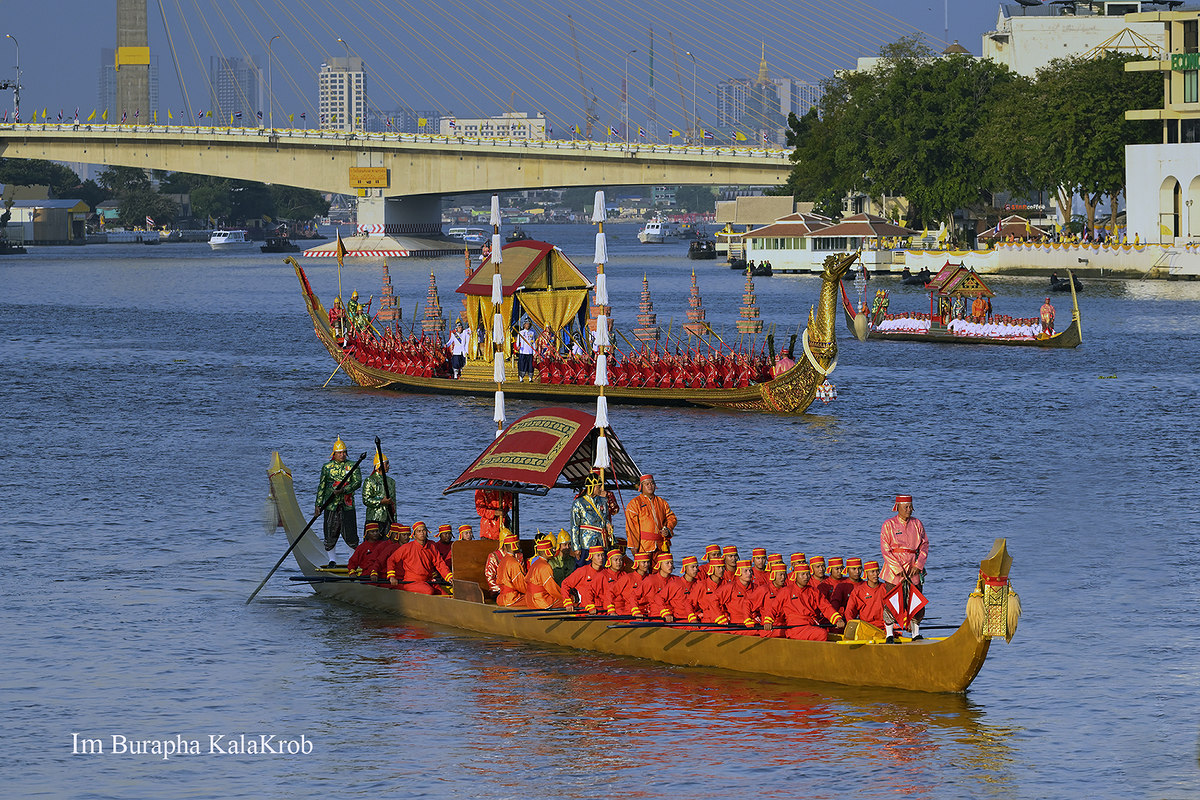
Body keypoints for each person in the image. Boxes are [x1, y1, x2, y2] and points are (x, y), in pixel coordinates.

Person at [762, 562, 844, 641]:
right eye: (803, 574)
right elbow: (773, 608)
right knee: (822, 634)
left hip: (811, 625)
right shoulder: (786, 591)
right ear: (796, 576)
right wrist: (768, 621)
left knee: (826, 632)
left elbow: (826, 607)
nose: (806, 577)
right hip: (795, 628)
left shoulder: (814, 591)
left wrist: (838, 619)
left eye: (808, 574)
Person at [315, 437, 363, 566]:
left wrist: (344, 490)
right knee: (330, 531)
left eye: (344, 452)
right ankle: (332, 560)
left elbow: (357, 482)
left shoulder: (353, 465)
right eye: (339, 453)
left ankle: (352, 560)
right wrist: (318, 505)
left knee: (350, 532)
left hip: (347, 504)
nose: (342, 455)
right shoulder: (327, 467)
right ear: (334, 454)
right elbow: (322, 486)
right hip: (331, 505)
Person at [386, 520, 452, 594]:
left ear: (427, 532)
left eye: (423, 530)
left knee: (446, 595)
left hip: (429, 581)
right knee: (429, 591)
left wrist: (449, 577)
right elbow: (391, 560)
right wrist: (392, 576)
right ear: (414, 535)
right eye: (419, 531)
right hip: (411, 582)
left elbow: (440, 563)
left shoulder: (432, 546)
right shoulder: (406, 547)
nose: (422, 533)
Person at [880, 494, 928, 588]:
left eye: (911, 507)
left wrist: (918, 565)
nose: (909, 510)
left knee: (915, 601)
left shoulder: (917, 523)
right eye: (906, 507)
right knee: (893, 601)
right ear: (898, 507)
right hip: (893, 572)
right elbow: (885, 550)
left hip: (913, 568)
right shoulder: (889, 524)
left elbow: (924, 545)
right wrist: (897, 568)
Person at [624, 474, 677, 556]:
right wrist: (634, 547)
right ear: (641, 486)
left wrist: (668, 529)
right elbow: (631, 527)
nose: (650, 486)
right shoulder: (634, 503)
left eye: (652, 483)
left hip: (662, 545)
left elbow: (671, 518)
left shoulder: (662, 502)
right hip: (644, 546)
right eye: (647, 484)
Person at [570, 472, 615, 559]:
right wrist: (576, 547)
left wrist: (608, 525)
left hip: (601, 541)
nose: (601, 489)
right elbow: (574, 526)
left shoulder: (603, 501)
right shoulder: (579, 503)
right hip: (587, 541)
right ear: (592, 487)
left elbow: (605, 519)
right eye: (598, 486)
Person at [360, 452, 396, 559]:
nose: (388, 466)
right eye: (386, 464)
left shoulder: (391, 481)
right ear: (379, 466)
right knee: (371, 545)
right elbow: (366, 500)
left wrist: (394, 519)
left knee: (387, 544)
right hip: (374, 517)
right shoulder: (370, 480)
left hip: (388, 518)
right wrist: (381, 501)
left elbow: (393, 502)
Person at [714, 559, 759, 633]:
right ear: (739, 572)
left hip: (754, 622)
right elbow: (713, 600)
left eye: (750, 571)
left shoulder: (756, 587)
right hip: (736, 624)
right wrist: (720, 617)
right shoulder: (730, 587)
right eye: (746, 571)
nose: (749, 573)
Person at [561, 546, 608, 613]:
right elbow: (565, 584)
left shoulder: (606, 572)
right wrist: (568, 603)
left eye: (602, 555)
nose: (601, 558)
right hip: (585, 609)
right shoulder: (582, 571)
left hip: (603, 609)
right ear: (591, 557)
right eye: (598, 555)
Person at [845, 560, 886, 629]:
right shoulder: (858, 591)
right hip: (866, 627)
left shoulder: (885, 588)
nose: (876, 574)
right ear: (866, 573)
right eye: (872, 572)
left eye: (877, 571)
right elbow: (849, 611)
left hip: (885, 626)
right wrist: (851, 625)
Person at [524, 538, 563, 609]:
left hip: (529, 599)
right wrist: (565, 596)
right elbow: (552, 589)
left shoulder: (535, 563)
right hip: (540, 600)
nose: (554, 550)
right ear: (547, 551)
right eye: (551, 549)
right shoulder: (545, 566)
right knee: (569, 601)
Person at [612, 551, 653, 616]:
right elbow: (611, 593)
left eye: (648, 562)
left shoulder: (651, 578)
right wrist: (611, 610)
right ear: (637, 563)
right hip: (630, 611)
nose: (646, 565)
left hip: (648, 611)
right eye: (644, 562)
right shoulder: (627, 578)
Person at [495, 533, 528, 607]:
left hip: (501, 597)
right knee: (535, 599)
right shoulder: (514, 563)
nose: (519, 546)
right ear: (514, 545)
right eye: (518, 544)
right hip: (511, 598)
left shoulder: (503, 560)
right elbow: (521, 586)